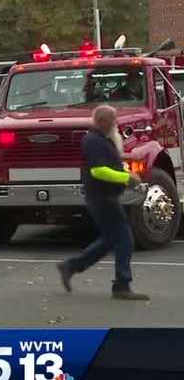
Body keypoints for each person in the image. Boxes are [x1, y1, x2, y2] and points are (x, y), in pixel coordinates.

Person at [57, 105, 148, 300]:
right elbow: (98, 171)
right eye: (112, 120)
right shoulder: (93, 141)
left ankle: (71, 266)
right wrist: (126, 177)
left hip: (104, 196)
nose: (115, 124)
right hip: (102, 198)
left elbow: (108, 165)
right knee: (124, 239)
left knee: (110, 240)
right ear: (101, 121)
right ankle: (122, 285)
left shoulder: (101, 140)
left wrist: (122, 170)